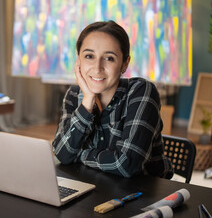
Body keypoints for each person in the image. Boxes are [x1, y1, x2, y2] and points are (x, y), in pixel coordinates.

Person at [52, 20, 174, 179]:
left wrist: (79, 154)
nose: (97, 68)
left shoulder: (142, 91)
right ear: (79, 60)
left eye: (109, 58)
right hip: (95, 187)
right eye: (89, 56)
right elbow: (62, 154)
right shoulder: (74, 95)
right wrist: (88, 100)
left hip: (144, 193)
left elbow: (126, 164)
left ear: (124, 64)